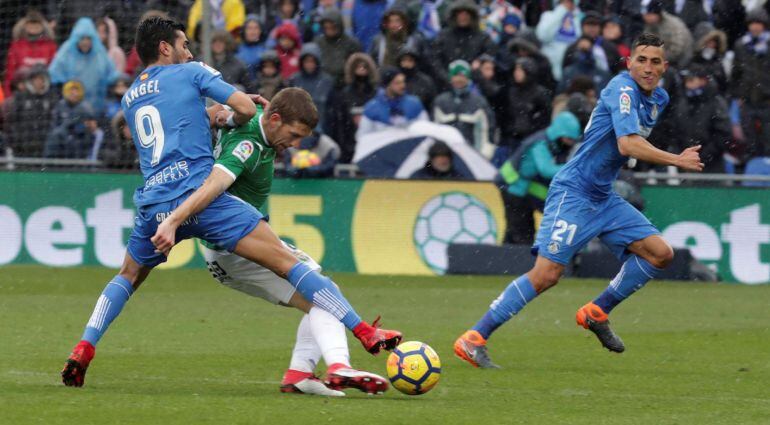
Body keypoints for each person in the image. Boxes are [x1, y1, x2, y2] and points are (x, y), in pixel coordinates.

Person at [61, 17, 400, 388]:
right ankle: (364, 331)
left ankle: (84, 348)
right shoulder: (191, 72)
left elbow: (176, 124)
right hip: (201, 198)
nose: (188, 51)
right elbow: (242, 107)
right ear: (165, 48)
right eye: (184, 44)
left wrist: (212, 118)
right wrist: (236, 113)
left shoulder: (129, 96)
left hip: (154, 202)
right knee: (292, 265)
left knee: (126, 277)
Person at [454, 33, 704, 368]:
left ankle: (596, 312)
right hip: (574, 192)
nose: (647, 67)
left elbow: (623, 146)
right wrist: (676, 160)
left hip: (603, 195)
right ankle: (474, 338)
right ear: (629, 62)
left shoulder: (659, 98)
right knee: (546, 274)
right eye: (641, 60)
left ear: (665, 66)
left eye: (655, 61)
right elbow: (627, 145)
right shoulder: (622, 88)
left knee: (660, 254)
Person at [202, 91, 384, 395]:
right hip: (236, 246)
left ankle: (301, 374)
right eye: (294, 134)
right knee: (323, 294)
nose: (296, 143)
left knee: (321, 293)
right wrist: (175, 221)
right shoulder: (248, 146)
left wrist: (225, 110)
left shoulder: (251, 123)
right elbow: (215, 183)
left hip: (235, 244)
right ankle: (337, 365)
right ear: (274, 120)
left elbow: (216, 115)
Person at [496, 111, 581, 244]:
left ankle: (504, 259)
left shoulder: (548, 141)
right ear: (559, 133)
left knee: (515, 232)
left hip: (519, 188)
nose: (570, 143)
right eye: (568, 138)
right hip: (513, 187)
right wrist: (576, 169)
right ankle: (516, 260)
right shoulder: (540, 144)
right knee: (522, 233)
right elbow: (546, 170)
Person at [48, 17, 120, 114]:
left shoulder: (99, 52)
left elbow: (111, 74)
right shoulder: (66, 51)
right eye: (82, 38)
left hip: (96, 108)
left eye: (88, 38)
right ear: (76, 38)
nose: (85, 42)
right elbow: (55, 74)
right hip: (71, 107)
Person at [432, 60, 495, 158]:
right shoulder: (440, 101)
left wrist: (483, 157)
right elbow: (434, 131)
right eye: (456, 75)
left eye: (462, 76)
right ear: (451, 78)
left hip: (472, 157)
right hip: (447, 157)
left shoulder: (479, 102)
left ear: (468, 78)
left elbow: (487, 131)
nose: (459, 79)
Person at [674, 65, 731, 173]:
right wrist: (682, 155)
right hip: (685, 165)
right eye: (686, 81)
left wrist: (703, 156)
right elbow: (675, 131)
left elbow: (724, 135)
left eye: (691, 80)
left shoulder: (716, 102)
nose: (687, 85)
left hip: (711, 167)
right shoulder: (682, 103)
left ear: (703, 81)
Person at [325, 53, 379, 163]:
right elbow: (340, 124)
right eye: (358, 67)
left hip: (371, 142)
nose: (361, 70)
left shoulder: (375, 94)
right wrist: (345, 146)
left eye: (364, 67)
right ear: (352, 69)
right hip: (349, 144)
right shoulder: (344, 95)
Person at [730, 9, 770, 157]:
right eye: (752, 23)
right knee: (749, 140)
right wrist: (738, 95)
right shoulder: (741, 45)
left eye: (758, 23)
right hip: (747, 100)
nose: (755, 27)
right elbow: (736, 73)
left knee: (767, 139)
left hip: (767, 100)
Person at [432, 0, 497, 90]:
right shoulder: (443, 35)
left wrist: (480, 60)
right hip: (446, 85)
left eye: (466, 14)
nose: (463, 17)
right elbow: (435, 60)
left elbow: (490, 53)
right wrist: (448, 78)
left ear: (472, 16)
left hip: (475, 85)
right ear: (454, 16)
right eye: (460, 14)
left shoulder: (482, 36)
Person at [356, 66, 427, 138]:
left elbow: (425, 130)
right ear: (387, 85)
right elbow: (363, 137)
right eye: (397, 83)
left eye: (403, 81)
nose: (402, 86)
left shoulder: (414, 103)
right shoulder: (371, 108)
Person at [3, 65, 56, 157]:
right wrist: (17, 141)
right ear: (31, 80)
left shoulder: (52, 98)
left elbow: (54, 121)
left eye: (42, 79)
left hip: (45, 147)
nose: (39, 82)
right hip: (23, 147)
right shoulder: (21, 97)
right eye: (36, 79)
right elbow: (12, 121)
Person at [4, 10, 57, 96]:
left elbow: (54, 71)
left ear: (42, 27)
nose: (33, 30)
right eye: (30, 26)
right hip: (21, 94)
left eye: (36, 27)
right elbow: (10, 73)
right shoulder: (16, 46)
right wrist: (9, 96)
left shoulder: (50, 46)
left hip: (44, 93)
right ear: (25, 26)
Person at [43, 80, 99, 159]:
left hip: (80, 142)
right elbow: (54, 125)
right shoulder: (59, 106)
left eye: (76, 90)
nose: (74, 93)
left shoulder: (86, 108)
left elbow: (92, 128)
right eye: (71, 91)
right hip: (62, 143)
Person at [288, 43, 334, 130]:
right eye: (307, 61)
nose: (309, 64)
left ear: (317, 62)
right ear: (302, 62)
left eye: (312, 61)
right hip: (298, 129)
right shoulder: (294, 79)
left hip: (322, 129)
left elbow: (331, 109)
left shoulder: (327, 81)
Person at [313, 8, 361, 85]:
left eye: (332, 27)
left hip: (344, 85)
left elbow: (357, 67)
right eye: (326, 28)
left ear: (339, 26)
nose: (329, 30)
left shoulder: (352, 43)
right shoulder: (318, 43)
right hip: (321, 84)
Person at [236, 15, 268, 82]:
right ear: (244, 31)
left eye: (256, 28)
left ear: (261, 31)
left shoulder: (267, 50)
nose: (252, 31)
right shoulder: (235, 49)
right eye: (249, 28)